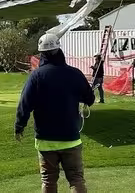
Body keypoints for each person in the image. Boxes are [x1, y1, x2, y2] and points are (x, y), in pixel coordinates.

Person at [15, 33, 96, 193]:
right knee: (76, 180)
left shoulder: (36, 76)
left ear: (41, 54)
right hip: (70, 138)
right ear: (59, 50)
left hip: (45, 140)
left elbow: (25, 103)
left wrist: (20, 125)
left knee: (48, 181)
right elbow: (90, 99)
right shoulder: (75, 73)